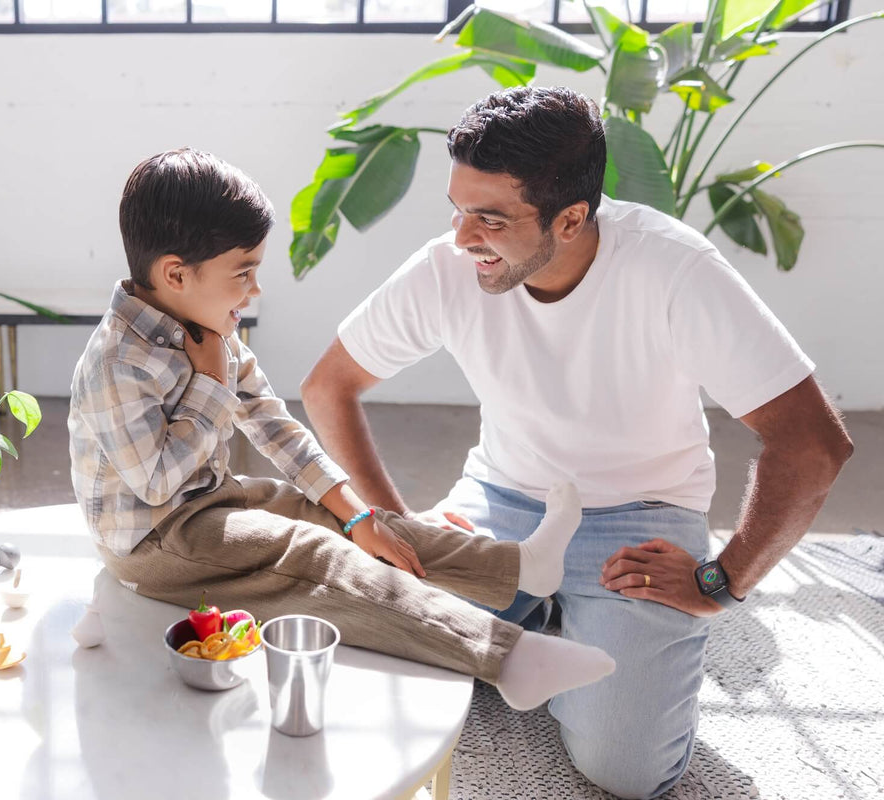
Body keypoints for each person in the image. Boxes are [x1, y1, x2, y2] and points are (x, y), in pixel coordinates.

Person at [300, 87, 854, 799]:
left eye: (490, 219)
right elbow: (328, 387)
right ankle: (549, 614)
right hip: (501, 502)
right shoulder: (452, 265)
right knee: (358, 650)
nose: (464, 236)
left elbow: (813, 444)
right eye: (459, 209)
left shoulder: (673, 269)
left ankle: (561, 619)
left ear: (570, 218)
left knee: (625, 772)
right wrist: (388, 524)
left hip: (639, 519)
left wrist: (723, 580)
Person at [67, 147, 617, 712]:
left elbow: (274, 426)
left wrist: (357, 515)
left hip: (209, 500)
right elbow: (157, 483)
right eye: (244, 272)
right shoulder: (119, 363)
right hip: (151, 540)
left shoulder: (210, 327)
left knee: (344, 519)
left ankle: (521, 568)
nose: (255, 290)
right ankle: (508, 657)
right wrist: (209, 384)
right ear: (177, 274)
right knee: (307, 552)